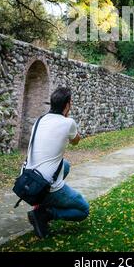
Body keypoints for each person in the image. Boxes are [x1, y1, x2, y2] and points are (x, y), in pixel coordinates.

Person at [25, 86, 89, 239]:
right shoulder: (68, 123)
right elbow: (75, 141)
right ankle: (45, 214)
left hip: (27, 181)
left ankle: (41, 204)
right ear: (67, 105)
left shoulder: (39, 120)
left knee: (65, 165)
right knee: (83, 210)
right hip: (45, 185)